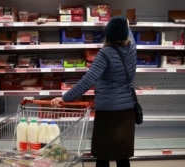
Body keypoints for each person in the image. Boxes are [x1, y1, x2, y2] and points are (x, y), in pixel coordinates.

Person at [51, 15, 137, 167]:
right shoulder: (131, 49)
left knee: (103, 155)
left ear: (107, 35)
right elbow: (126, 32)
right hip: (127, 110)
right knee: (122, 156)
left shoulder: (105, 54)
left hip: (108, 112)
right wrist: (125, 24)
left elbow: (88, 80)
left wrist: (65, 98)